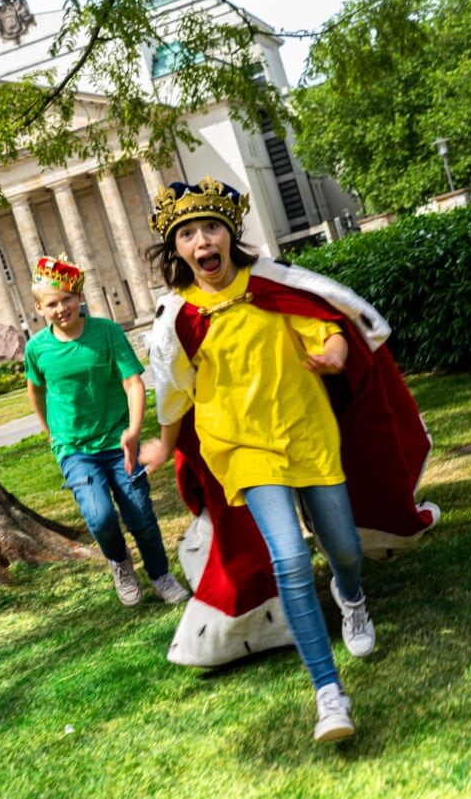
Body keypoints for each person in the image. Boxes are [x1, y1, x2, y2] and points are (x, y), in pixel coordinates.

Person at [140, 176, 382, 743]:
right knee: (291, 559)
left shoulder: (272, 284)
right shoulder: (177, 320)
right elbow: (172, 392)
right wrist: (165, 443)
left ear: (230, 234)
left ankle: (351, 596)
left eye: (212, 228)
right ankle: (329, 694)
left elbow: (327, 327)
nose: (203, 241)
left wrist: (335, 352)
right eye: (189, 234)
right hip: (242, 447)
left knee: (341, 546)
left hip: (306, 432)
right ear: (176, 250)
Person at [24, 253, 189, 608]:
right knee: (99, 517)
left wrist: (132, 430)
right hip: (75, 448)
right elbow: (35, 390)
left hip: (118, 442)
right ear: (40, 309)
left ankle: (160, 574)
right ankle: (119, 561)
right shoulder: (37, 349)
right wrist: (51, 433)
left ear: (79, 297)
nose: (62, 308)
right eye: (52, 303)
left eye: (68, 298)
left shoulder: (107, 333)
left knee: (140, 514)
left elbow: (133, 382)